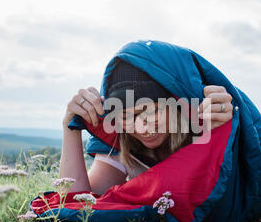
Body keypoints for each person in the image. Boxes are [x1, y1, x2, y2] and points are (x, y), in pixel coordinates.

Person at [60, 59, 234, 195]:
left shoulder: (201, 125)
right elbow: (78, 201)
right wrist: (70, 128)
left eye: (150, 110)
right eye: (125, 115)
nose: (140, 127)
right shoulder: (120, 142)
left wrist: (221, 131)